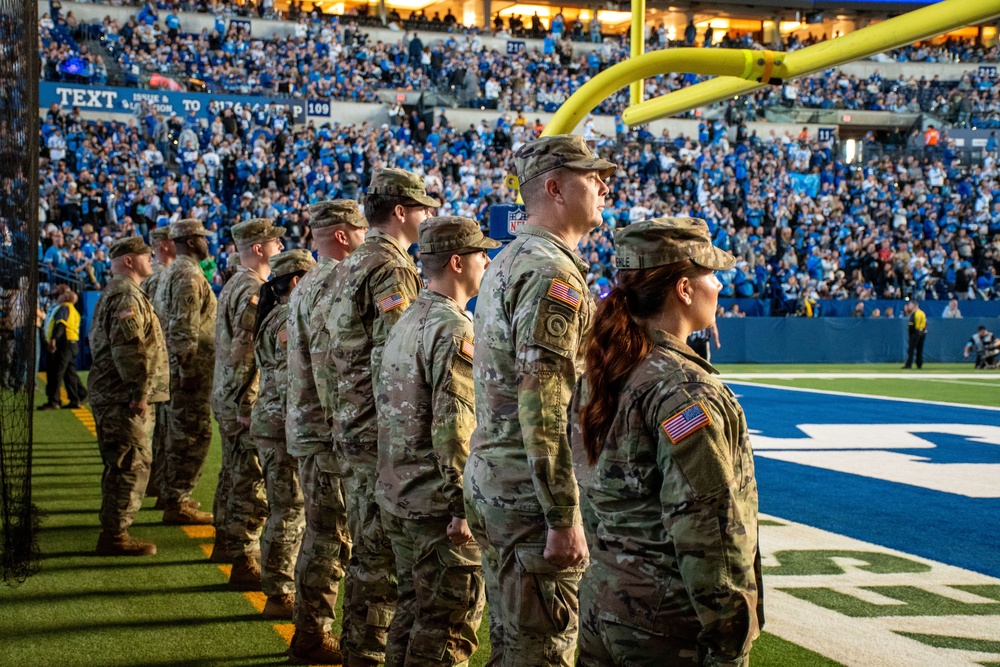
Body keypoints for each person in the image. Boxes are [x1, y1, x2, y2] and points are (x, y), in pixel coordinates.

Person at [572, 218, 764, 666]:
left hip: (605, 600)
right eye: (711, 275)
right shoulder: (683, 388)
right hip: (664, 624)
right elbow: (709, 529)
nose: (718, 286)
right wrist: (731, 637)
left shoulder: (606, 370)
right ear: (683, 288)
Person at [464, 134, 616, 667]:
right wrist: (561, 514)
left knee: (511, 644)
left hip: (501, 480)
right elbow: (543, 403)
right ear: (554, 187)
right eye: (591, 177)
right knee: (540, 653)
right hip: (527, 499)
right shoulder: (549, 270)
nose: (603, 186)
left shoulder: (512, 259)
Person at [323, 168, 438, 667]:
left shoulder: (348, 263)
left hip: (352, 423)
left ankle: (358, 650)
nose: (428, 216)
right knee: (382, 561)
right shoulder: (390, 267)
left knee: (369, 552)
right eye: (422, 209)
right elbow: (397, 356)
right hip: (378, 434)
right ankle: (365, 654)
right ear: (400, 213)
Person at [377, 216, 498, 667]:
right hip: (435, 504)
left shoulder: (409, 317)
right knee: (447, 627)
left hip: (401, 493)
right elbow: (454, 428)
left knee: (412, 613)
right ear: (456, 261)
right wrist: (461, 506)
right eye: (479, 253)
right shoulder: (453, 329)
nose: (487, 260)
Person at [285, 200, 368, 665]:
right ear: (342, 235)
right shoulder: (338, 281)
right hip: (331, 432)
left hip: (312, 427)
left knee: (323, 533)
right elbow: (338, 367)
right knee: (333, 537)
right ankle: (314, 632)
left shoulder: (308, 283)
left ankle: (309, 628)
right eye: (358, 231)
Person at [212, 218, 285, 591]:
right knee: (249, 483)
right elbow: (245, 351)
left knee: (233, 473)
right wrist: (247, 402)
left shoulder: (236, 284)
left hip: (227, 392)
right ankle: (242, 559)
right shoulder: (254, 288)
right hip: (241, 395)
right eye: (275, 242)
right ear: (258, 248)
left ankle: (226, 543)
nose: (280, 247)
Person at [88, 237, 169, 556]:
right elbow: (130, 347)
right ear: (129, 260)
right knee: (129, 462)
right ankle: (115, 535)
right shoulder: (125, 293)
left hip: (116, 393)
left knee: (124, 461)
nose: (151, 258)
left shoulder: (125, 290)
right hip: (121, 395)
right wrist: (138, 391)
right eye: (145, 255)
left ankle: (115, 529)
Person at [250, 249, 316, 621]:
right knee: (288, 511)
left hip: (275, 424)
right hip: (281, 426)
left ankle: (278, 585)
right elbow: (292, 382)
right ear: (296, 281)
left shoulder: (276, 315)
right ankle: (278, 590)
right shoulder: (287, 318)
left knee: (286, 509)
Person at [158, 219, 216, 526]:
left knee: (179, 433)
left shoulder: (174, 271)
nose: (208, 242)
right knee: (191, 435)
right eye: (203, 237)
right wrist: (186, 368)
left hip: (182, 369)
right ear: (192, 241)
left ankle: (175, 495)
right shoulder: (188, 275)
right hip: (189, 372)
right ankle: (178, 500)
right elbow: (182, 326)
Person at [141, 224, 176, 501]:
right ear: (164, 244)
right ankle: (162, 483)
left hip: (153, 356)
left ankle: (156, 480)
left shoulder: (151, 274)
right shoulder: (161, 274)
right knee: (164, 426)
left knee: (159, 425)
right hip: (161, 355)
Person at [40, 289, 87, 410]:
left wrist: (53, 339)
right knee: (69, 372)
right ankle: (76, 398)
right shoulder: (73, 310)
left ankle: (54, 401)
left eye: (62, 295)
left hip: (64, 343)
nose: (59, 297)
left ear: (66, 297)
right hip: (72, 343)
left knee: (57, 372)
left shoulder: (64, 308)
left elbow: (61, 325)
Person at [902, 299, 927, 369]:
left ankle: (909, 364)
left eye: (910, 305)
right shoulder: (922, 313)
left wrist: (913, 335)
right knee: (919, 349)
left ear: (914, 305)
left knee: (911, 349)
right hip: (922, 332)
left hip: (917, 331)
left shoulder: (916, 313)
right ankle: (919, 364)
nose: (909, 306)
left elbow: (914, 326)